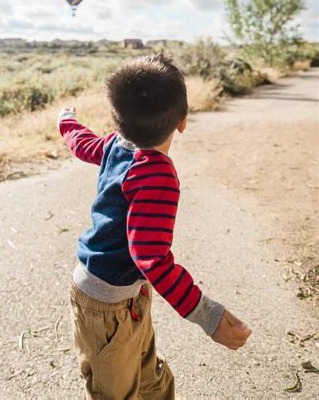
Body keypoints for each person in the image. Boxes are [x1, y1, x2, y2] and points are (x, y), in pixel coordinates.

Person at [58, 54, 251, 399]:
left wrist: (67, 119)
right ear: (182, 122)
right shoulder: (156, 173)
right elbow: (151, 258)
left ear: (117, 120)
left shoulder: (114, 144)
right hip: (106, 308)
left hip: (124, 296)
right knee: (116, 392)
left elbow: (80, 142)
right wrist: (209, 317)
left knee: (151, 381)